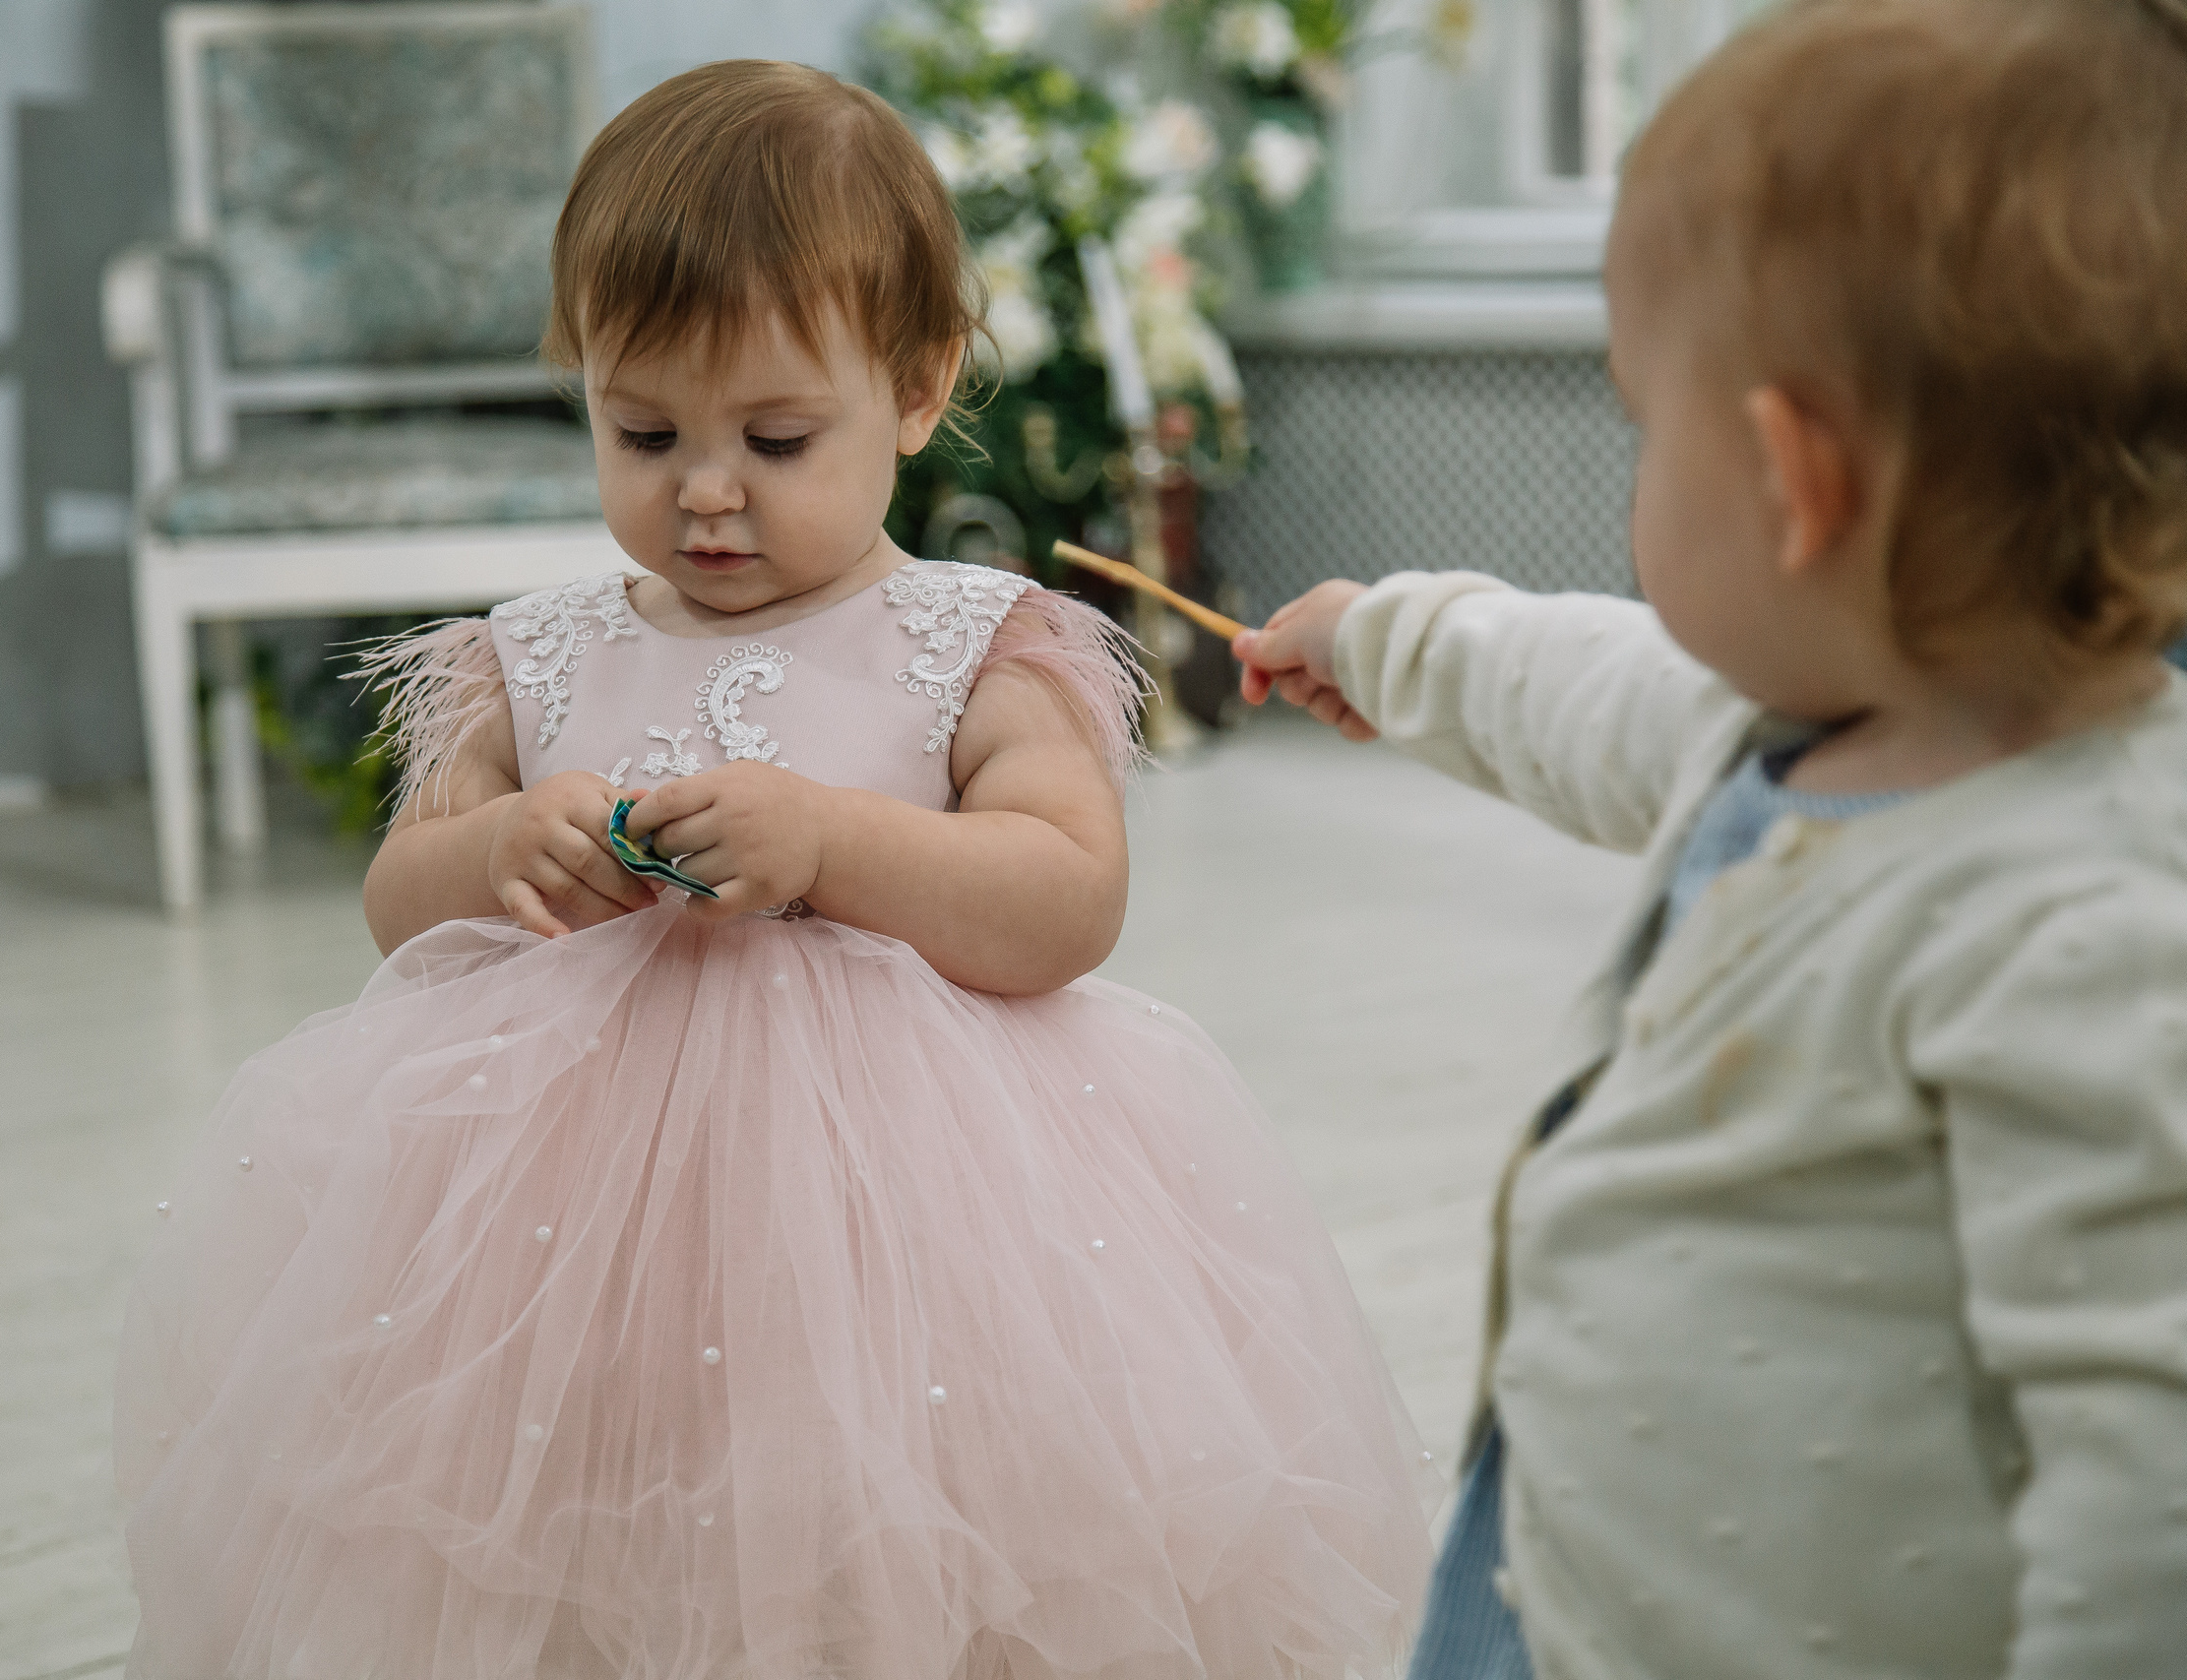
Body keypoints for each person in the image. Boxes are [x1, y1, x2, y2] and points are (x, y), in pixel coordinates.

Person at [113, 59, 1436, 1680]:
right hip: (554, 1232)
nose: (706, 489)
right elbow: (401, 902)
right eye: (643, 430)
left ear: (918, 389)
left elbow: (1064, 901)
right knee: (582, 1515)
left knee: (868, 1509)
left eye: (778, 436)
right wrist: (501, 847)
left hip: (905, 1217)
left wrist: (832, 841)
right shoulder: (528, 655)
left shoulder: (974, 642)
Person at [1235, 2, 2187, 1675]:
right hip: (1560, 1574)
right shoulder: (1800, 714)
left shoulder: (2093, 924)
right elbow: (1586, 685)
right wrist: (1387, 637)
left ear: (1790, 478)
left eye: (1642, 419)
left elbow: (2149, 1505)